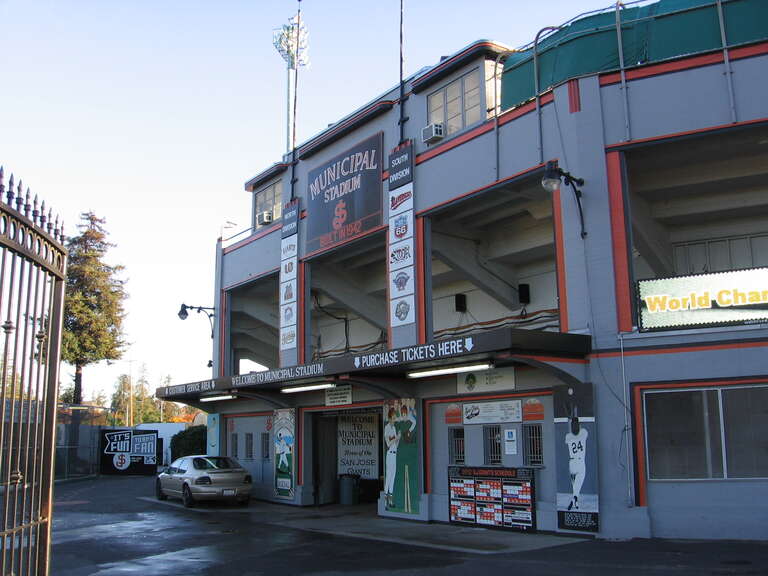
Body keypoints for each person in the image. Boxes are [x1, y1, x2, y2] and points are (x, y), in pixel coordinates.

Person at [565, 415, 588, 511]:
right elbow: (579, 430)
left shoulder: (568, 436)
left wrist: (570, 421)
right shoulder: (584, 432)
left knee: (574, 485)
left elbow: (571, 432)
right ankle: (574, 498)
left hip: (572, 462)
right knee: (578, 484)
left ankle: (575, 501)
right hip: (580, 461)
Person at [383, 406, 401, 508]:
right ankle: (385, 502)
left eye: (395, 417)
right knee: (389, 477)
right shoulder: (387, 427)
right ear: (389, 418)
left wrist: (398, 438)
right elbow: (389, 443)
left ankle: (390, 501)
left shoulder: (394, 428)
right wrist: (396, 438)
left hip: (395, 453)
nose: (394, 419)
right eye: (393, 418)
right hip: (390, 454)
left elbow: (395, 445)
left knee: (393, 477)